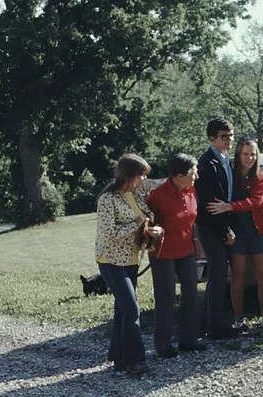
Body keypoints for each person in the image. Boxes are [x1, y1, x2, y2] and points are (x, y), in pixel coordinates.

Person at [95, 153, 160, 376]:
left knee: (123, 310)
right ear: (129, 175)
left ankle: (117, 356)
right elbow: (109, 234)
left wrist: (152, 228)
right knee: (132, 309)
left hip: (131, 260)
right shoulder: (107, 200)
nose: (144, 179)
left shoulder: (135, 196)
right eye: (141, 175)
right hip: (111, 261)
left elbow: (147, 215)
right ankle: (135, 361)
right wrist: (137, 224)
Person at [207, 137, 263, 330]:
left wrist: (229, 206)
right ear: (238, 154)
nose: (250, 157)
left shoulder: (262, 176)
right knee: (239, 276)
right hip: (236, 233)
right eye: (246, 154)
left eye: (253, 154)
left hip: (259, 231)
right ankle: (239, 318)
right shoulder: (230, 173)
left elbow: (255, 201)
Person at [146, 154, 205, 357]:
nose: (196, 175)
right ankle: (163, 344)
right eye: (193, 172)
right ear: (178, 175)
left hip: (186, 251)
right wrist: (154, 230)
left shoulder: (192, 190)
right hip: (163, 253)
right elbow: (146, 222)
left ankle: (188, 340)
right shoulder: (157, 194)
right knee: (166, 298)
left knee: (191, 294)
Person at [195, 117, 237, 339]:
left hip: (224, 222)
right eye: (224, 136)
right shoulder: (206, 163)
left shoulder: (225, 159)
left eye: (231, 135)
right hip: (211, 226)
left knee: (221, 274)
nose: (229, 140)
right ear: (212, 138)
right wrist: (224, 231)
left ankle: (211, 322)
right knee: (218, 274)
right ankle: (216, 326)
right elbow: (209, 203)